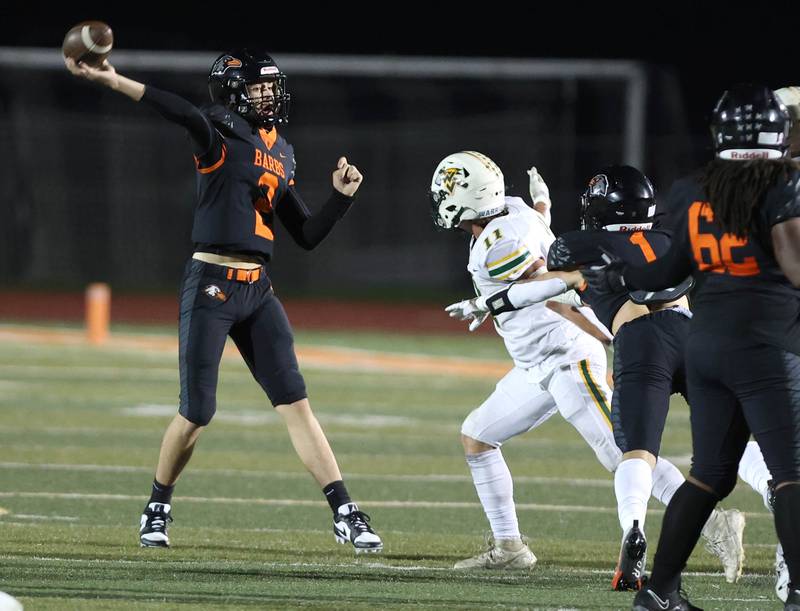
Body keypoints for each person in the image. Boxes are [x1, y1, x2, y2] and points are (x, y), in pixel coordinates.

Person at [64, 48, 382, 553]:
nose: (268, 95)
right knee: (196, 413)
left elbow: (305, 234)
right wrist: (115, 81)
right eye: (257, 87)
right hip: (211, 282)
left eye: (270, 86)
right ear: (233, 92)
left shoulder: (283, 150)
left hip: (258, 289)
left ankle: (345, 511)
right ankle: (157, 505)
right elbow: (181, 111)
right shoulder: (218, 130)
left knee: (296, 403)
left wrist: (340, 198)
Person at [447, 165, 747, 587]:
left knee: (624, 452)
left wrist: (598, 333)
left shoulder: (499, 240)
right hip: (535, 363)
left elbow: (553, 286)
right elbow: (541, 241)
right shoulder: (512, 212)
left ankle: (716, 523)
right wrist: (543, 207)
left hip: (567, 356)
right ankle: (510, 547)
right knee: (477, 435)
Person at [582, 84, 800, 611]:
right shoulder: (786, 184)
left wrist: (615, 271)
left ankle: (659, 591)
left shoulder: (690, 188)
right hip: (766, 346)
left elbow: (665, 271)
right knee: (793, 474)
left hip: (706, 348)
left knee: (708, 476)